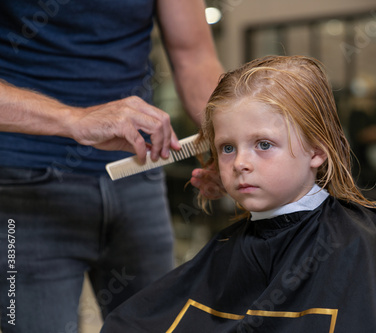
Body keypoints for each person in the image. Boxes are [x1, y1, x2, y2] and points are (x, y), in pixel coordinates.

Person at [102, 55, 376, 332]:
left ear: (317, 151)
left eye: (263, 145)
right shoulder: (227, 250)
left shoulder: (362, 246)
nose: (240, 162)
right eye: (227, 147)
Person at [0, 0, 223, 331]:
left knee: (159, 324)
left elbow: (194, 56)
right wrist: (72, 118)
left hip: (138, 176)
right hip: (23, 183)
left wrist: (230, 141)